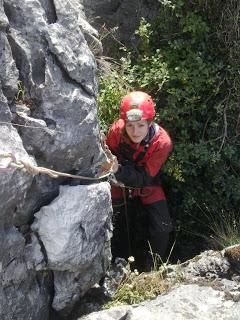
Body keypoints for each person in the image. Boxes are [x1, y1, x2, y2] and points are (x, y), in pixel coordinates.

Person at [105, 91, 173, 271]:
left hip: (145, 184)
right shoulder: (116, 132)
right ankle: (117, 265)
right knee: (116, 224)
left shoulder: (161, 142)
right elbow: (108, 155)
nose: (135, 132)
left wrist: (118, 170)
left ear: (150, 123)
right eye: (130, 126)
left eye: (141, 125)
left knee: (162, 228)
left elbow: (145, 178)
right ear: (124, 124)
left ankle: (153, 268)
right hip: (118, 181)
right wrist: (113, 168)